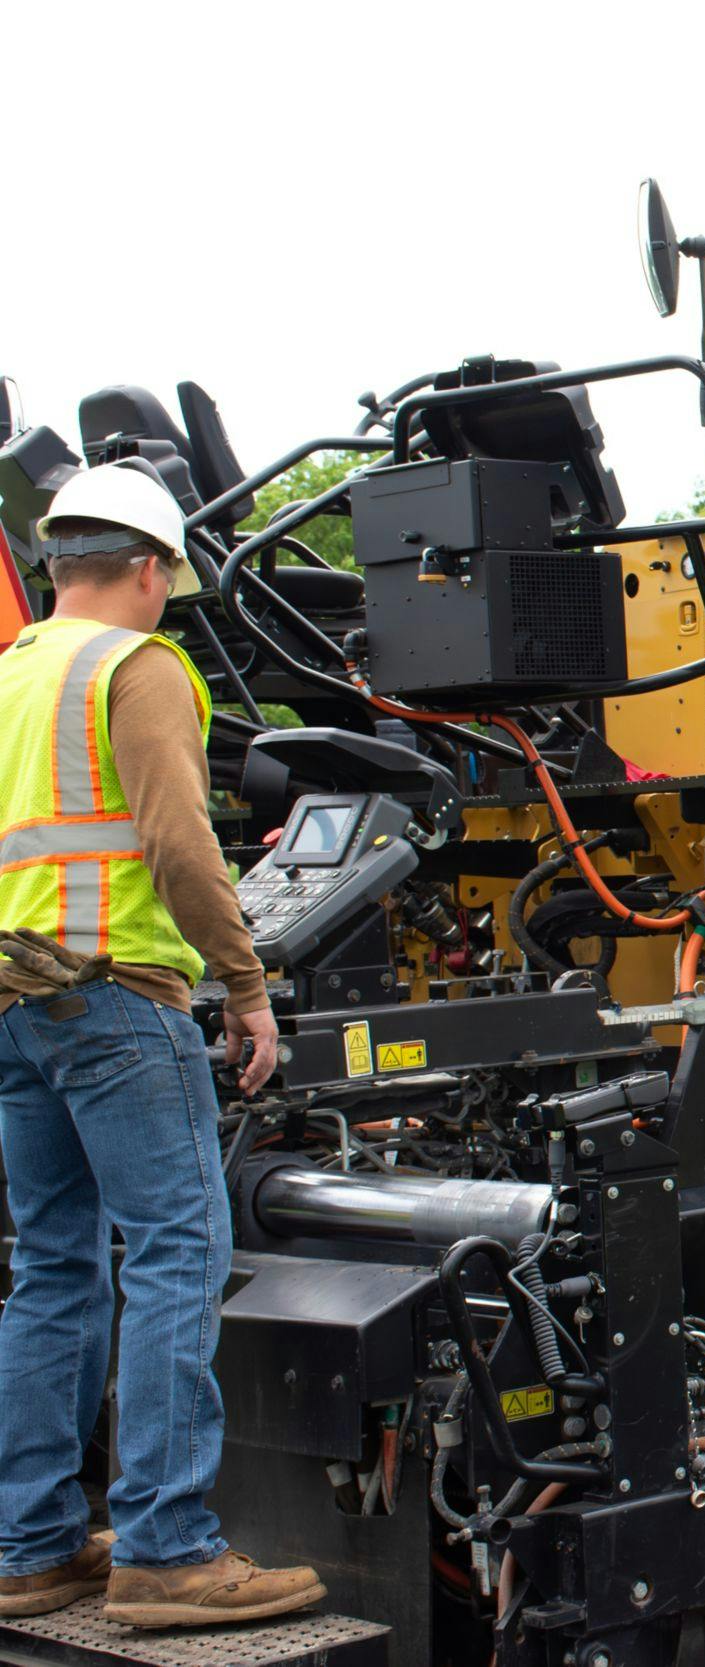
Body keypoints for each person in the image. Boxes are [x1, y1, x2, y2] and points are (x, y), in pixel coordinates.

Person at [0, 465, 323, 1628]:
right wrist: (248, 985)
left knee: (52, 1267)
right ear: (149, 567)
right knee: (178, 1252)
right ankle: (167, 1547)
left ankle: (30, 1546)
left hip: (15, 1005)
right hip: (120, 1000)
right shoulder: (134, 667)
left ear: (53, 565)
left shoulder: (13, 672)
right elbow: (179, 843)